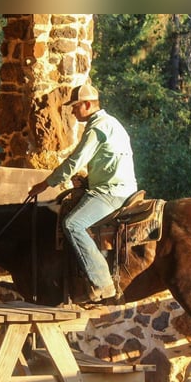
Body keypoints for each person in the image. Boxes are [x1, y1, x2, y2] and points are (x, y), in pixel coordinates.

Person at [28, 83, 138, 303]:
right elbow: (111, 163)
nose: (72, 111)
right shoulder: (112, 123)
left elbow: (75, 160)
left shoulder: (97, 127)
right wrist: (87, 181)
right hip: (122, 187)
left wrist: (45, 184)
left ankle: (103, 283)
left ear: (87, 105)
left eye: (75, 106)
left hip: (111, 192)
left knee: (72, 224)